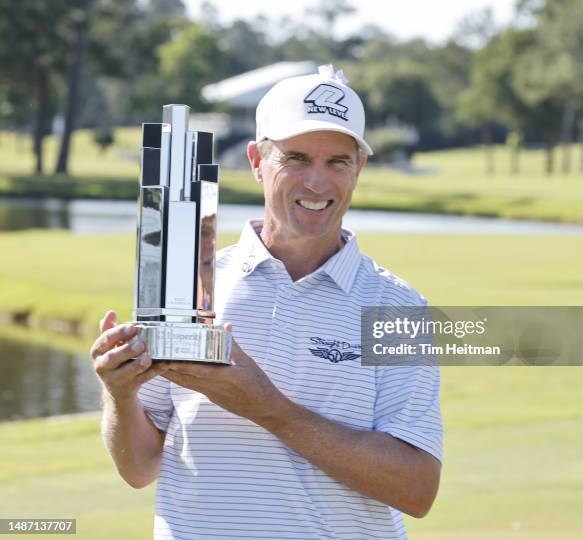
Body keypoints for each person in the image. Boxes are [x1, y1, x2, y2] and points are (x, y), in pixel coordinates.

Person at [91, 64, 443, 540]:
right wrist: (120, 393)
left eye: (337, 161)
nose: (317, 183)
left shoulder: (398, 308)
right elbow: (139, 468)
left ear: (359, 166)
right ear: (257, 161)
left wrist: (267, 407)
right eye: (296, 159)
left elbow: (417, 489)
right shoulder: (187, 287)